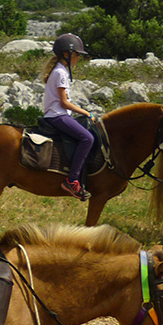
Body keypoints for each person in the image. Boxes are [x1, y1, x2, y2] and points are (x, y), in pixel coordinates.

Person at [42, 33, 94, 201]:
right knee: (87, 138)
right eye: (77, 54)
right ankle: (72, 180)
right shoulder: (60, 72)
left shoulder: (60, 70)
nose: (78, 58)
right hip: (57, 115)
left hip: (59, 114)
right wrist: (85, 112)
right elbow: (64, 102)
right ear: (67, 54)